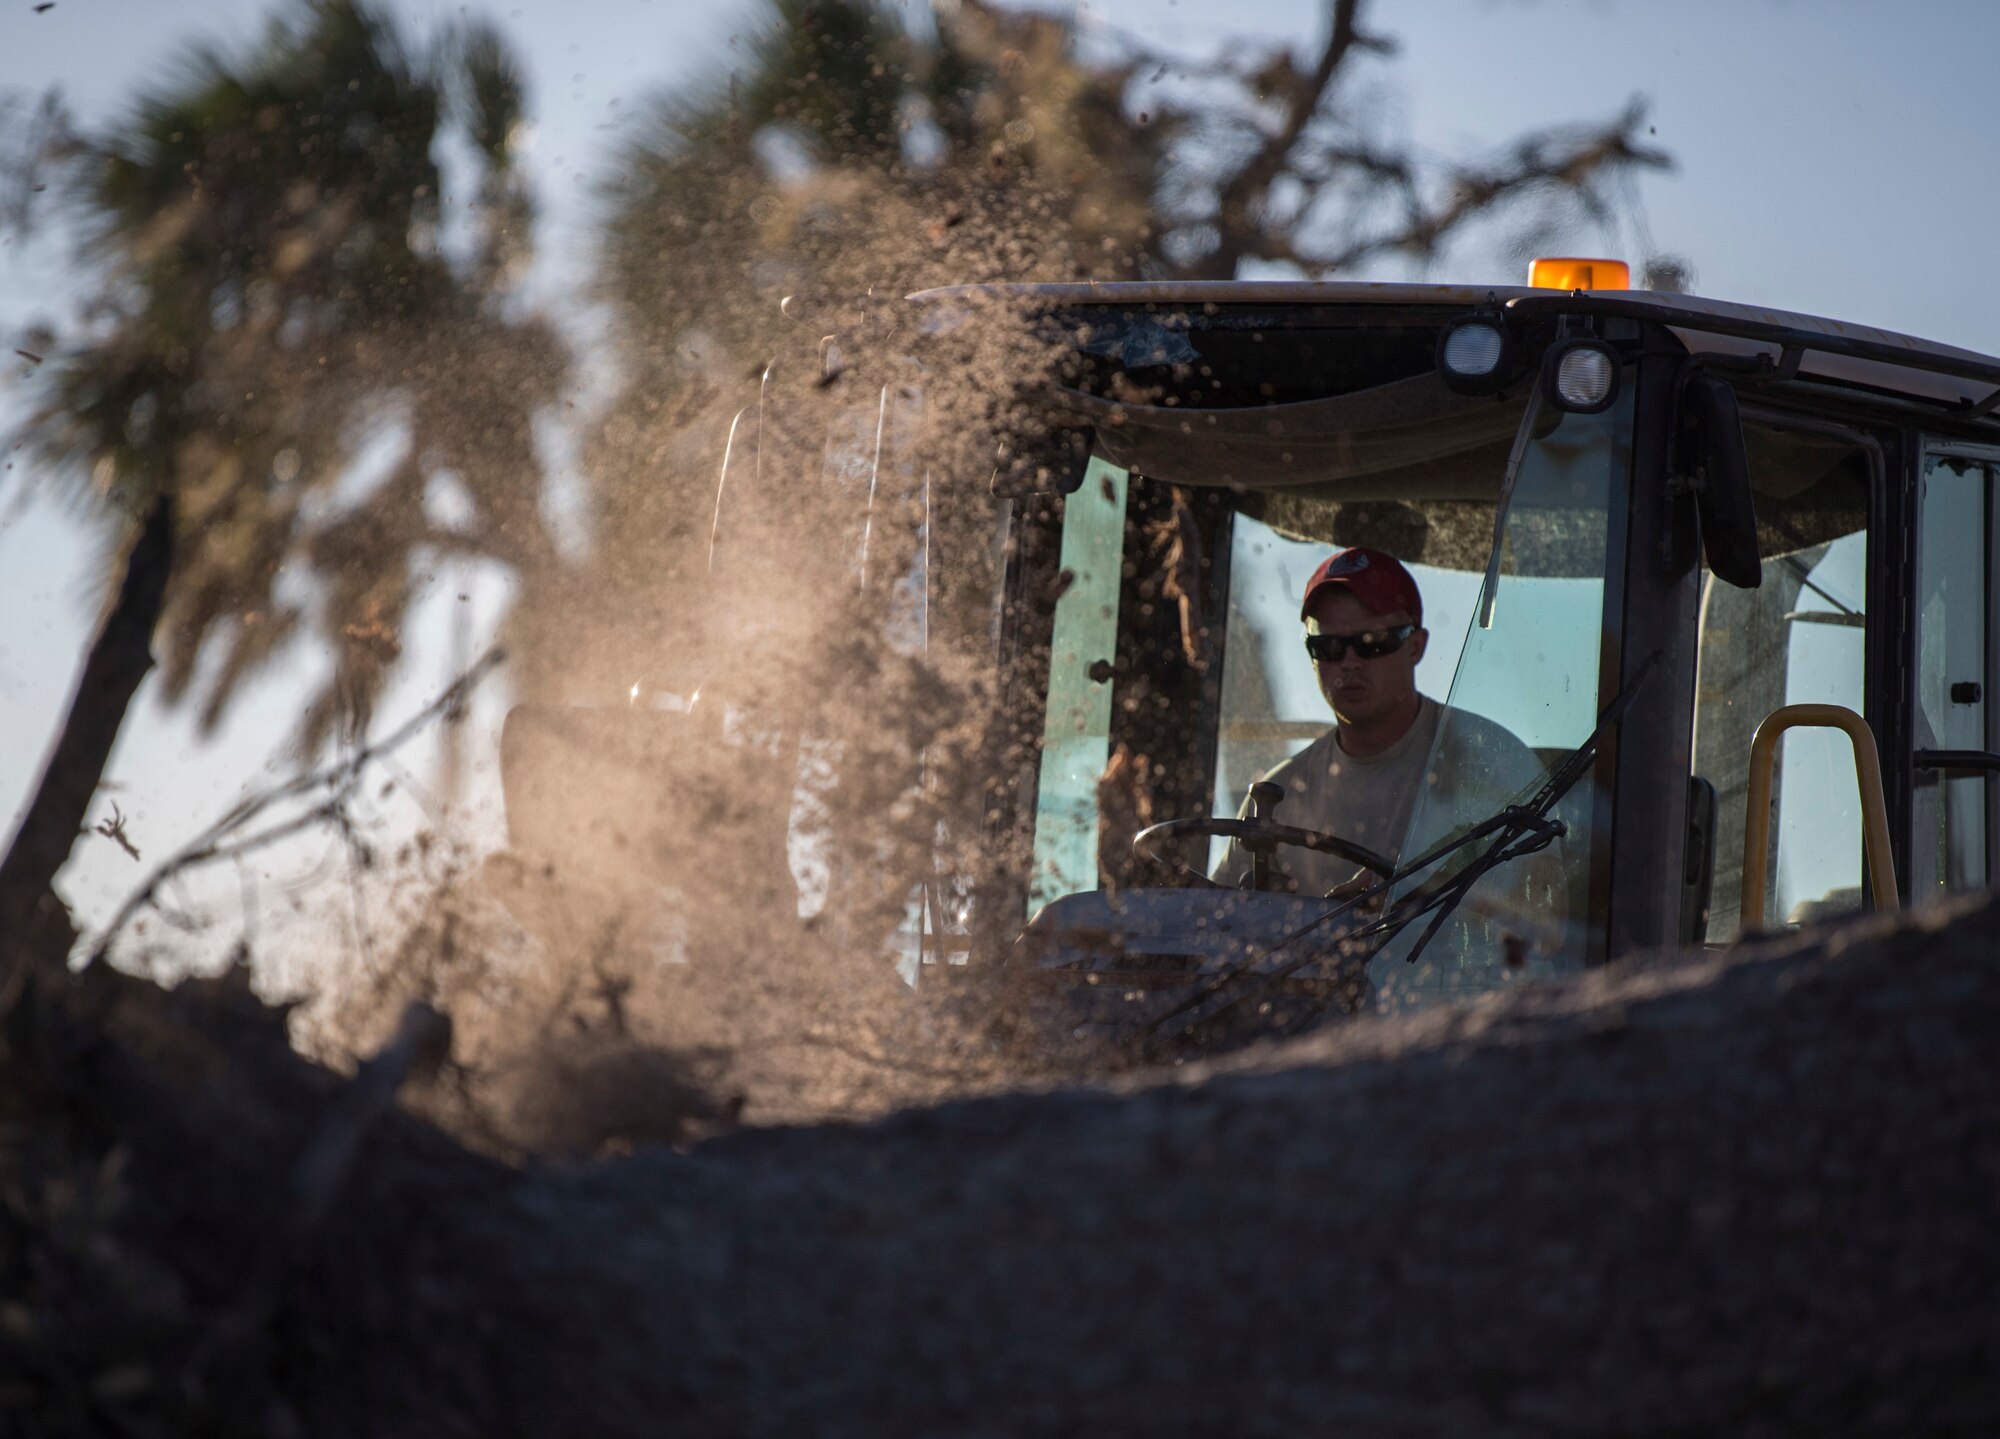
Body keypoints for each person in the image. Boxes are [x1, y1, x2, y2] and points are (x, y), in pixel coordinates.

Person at [1213, 546, 1545, 899]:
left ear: (1415, 646)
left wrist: (1401, 914)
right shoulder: (1277, 796)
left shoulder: (1492, 762)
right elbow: (1215, 924)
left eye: (1371, 643)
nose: (1349, 662)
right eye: (1328, 647)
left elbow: (1541, 926)